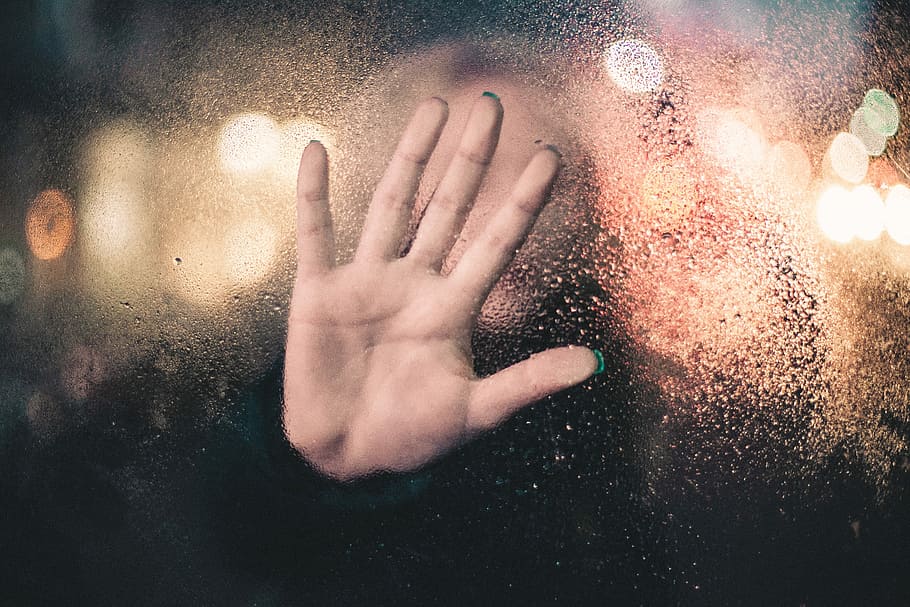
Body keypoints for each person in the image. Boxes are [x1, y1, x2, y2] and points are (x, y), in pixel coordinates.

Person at [283, 92, 601, 480]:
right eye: (479, 180)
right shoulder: (312, 366)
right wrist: (331, 464)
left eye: (550, 186)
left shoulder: (629, 374)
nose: (503, 205)